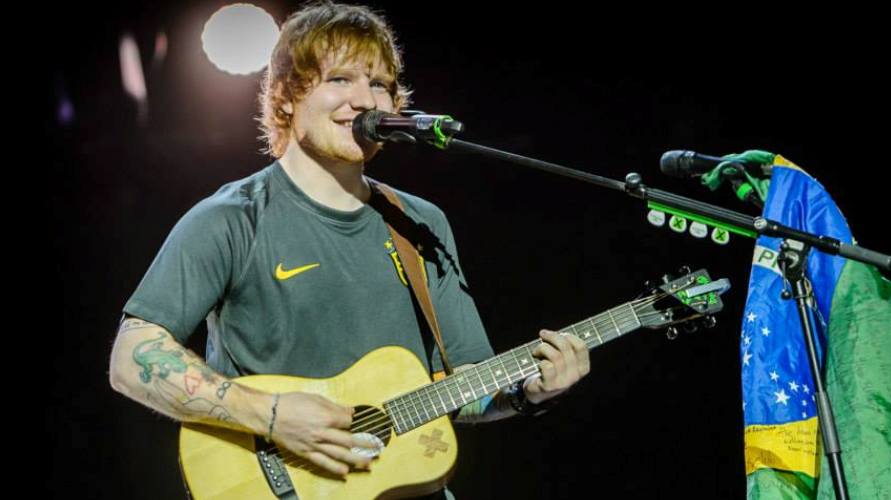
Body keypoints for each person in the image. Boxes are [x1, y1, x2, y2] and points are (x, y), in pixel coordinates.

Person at [108, 2, 590, 497]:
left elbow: (465, 390)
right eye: (340, 79)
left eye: (379, 84)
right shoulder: (231, 218)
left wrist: (528, 393)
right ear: (286, 97)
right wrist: (272, 416)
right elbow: (131, 360)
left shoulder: (420, 223)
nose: (364, 100)